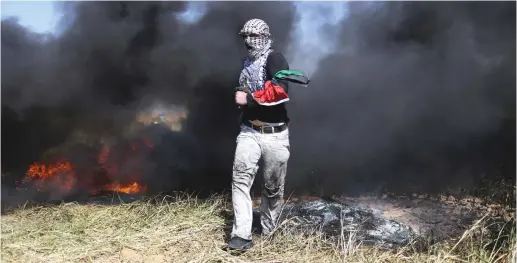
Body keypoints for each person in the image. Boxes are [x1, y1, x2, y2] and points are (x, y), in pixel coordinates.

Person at [228, 18, 291, 250]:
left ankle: (269, 231)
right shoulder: (247, 62)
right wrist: (242, 100)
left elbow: (281, 91)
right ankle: (241, 236)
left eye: (253, 36)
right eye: (245, 37)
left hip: (275, 135)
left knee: (273, 188)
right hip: (249, 132)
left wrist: (250, 99)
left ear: (264, 36)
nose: (248, 41)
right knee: (240, 181)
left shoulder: (275, 58)